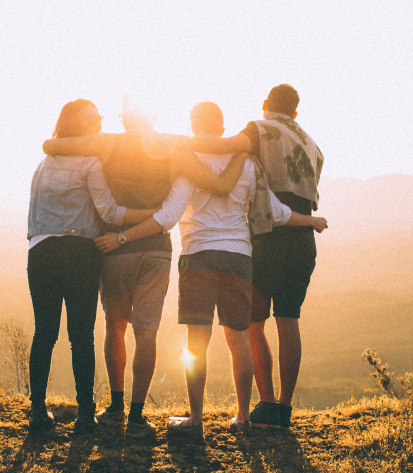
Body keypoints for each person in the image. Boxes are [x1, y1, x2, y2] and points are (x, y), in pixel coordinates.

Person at [95, 101, 327, 438]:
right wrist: (312, 220)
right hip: (239, 258)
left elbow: (168, 216)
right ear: (222, 128)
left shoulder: (189, 161)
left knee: (196, 343)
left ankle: (196, 420)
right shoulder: (246, 163)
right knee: (239, 340)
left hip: (199, 256)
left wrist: (123, 237)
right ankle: (244, 418)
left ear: (193, 124)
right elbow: (275, 212)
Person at [42, 96, 246, 438]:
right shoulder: (172, 147)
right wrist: (242, 149)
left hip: (114, 247)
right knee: (146, 332)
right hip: (156, 250)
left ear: (124, 120)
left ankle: (116, 407)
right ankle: (137, 416)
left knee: (115, 325)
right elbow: (217, 177)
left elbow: (53, 145)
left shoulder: (107, 144)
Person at [171, 85, 325, 429]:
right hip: (301, 237)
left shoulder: (259, 129)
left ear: (266, 105)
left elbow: (222, 147)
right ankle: (282, 410)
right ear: (295, 113)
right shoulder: (313, 144)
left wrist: (173, 143)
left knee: (252, 325)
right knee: (289, 320)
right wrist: (311, 221)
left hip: (267, 236)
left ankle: (264, 406)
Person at [27, 99, 156, 434]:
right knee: (81, 336)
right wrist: (152, 215)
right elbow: (110, 213)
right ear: (77, 124)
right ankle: (85, 416)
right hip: (80, 253)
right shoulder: (90, 162)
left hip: (40, 251)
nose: (99, 122)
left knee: (44, 333)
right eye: (93, 118)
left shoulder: (43, 164)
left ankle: (37, 413)